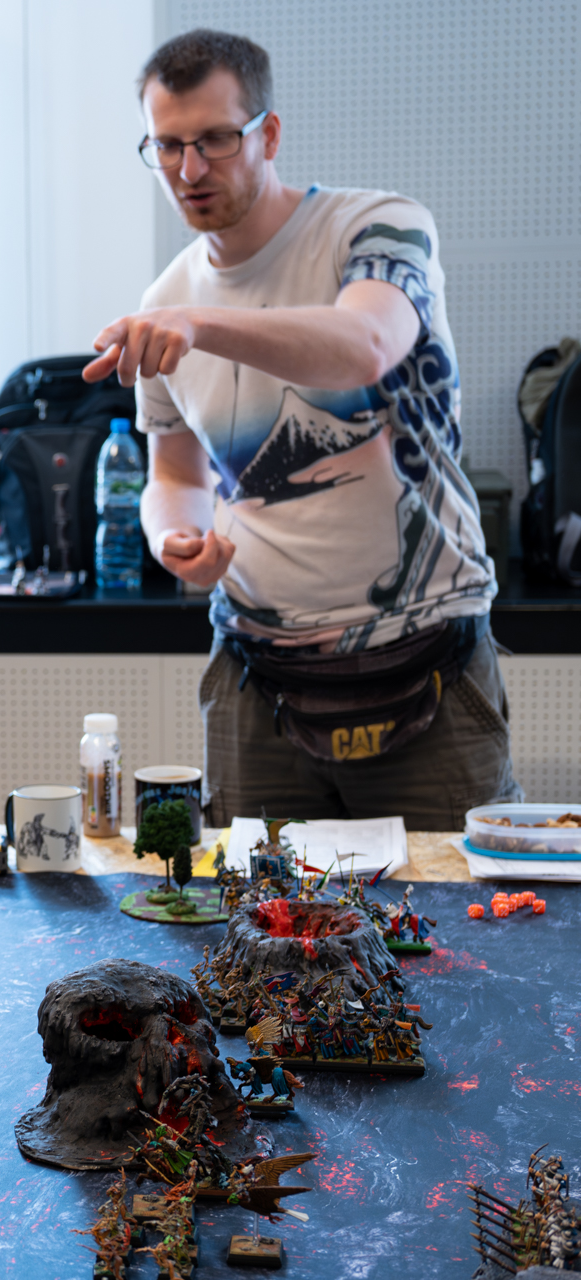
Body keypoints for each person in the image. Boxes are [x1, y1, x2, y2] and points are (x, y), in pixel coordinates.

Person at [83, 29, 521, 828]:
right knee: (248, 905)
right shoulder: (165, 306)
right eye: (168, 146)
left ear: (269, 134)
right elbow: (174, 475)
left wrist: (201, 324)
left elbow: (365, 344)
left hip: (429, 656)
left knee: (455, 907)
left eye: (215, 139)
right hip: (257, 679)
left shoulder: (379, 227)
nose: (190, 170)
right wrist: (173, 537)